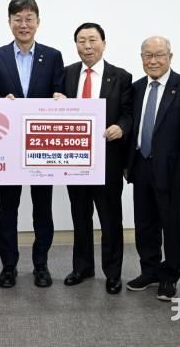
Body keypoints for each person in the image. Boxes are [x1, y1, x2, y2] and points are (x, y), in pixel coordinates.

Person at [0, 0, 65, 288]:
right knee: (8, 208)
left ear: (38, 22)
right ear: (9, 22)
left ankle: (41, 265)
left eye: (29, 19)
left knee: (43, 208)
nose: (23, 24)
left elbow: (59, 92)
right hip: (7, 146)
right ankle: (9, 266)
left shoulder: (53, 56)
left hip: (42, 146)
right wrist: (0, 102)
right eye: (17, 19)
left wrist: (61, 98)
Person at [55, 22, 133, 294]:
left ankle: (112, 273)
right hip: (75, 160)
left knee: (110, 219)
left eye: (92, 40)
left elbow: (128, 113)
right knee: (80, 216)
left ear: (104, 43)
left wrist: (121, 127)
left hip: (107, 160)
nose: (87, 46)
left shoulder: (121, 76)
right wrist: (56, 102)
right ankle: (82, 267)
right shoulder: (66, 74)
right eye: (81, 41)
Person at [125, 36, 180, 301]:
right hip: (141, 166)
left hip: (171, 170)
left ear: (170, 57)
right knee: (145, 224)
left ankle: (170, 275)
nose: (153, 61)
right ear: (141, 58)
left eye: (159, 55)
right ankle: (150, 271)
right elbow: (131, 126)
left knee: (172, 226)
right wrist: (127, 164)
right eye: (148, 55)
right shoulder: (135, 88)